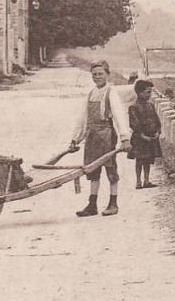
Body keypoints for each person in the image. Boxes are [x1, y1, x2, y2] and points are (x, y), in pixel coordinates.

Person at [69, 60, 130, 217]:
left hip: (106, 134)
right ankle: (92, 204)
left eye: (100, 74)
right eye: (94, 74)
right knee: (92, 170)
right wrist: (75, 139)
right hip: (92, 136)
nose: (97, 77)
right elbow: (83, 119)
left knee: (110, 169)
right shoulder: (90, 94)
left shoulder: (111, 92)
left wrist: (124, 138)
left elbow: (118, 116)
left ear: (107, 74)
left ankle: (113, 203)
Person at [128, 79, 161, 189]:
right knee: (140, 159)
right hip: (140, 138)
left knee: (148, 159)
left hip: (151, 137)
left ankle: (146, 180)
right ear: (139, 92)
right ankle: (138, 181)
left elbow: (156, 120)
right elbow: (134, 124)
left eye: (150, 92)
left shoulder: (150, 105)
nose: (150, 94)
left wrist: (157, 132)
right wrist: (142, 135)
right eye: (148, 92)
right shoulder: (134, 107)